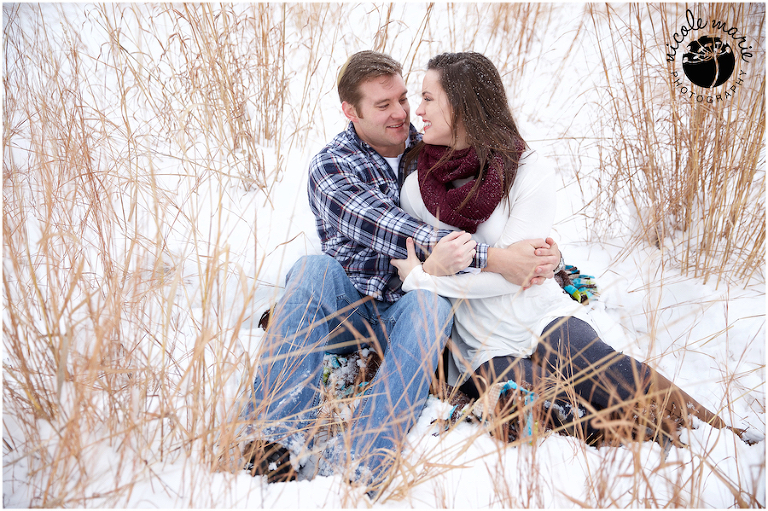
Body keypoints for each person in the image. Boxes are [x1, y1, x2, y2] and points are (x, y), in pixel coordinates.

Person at [239, 50, 563, 493]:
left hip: (408, 309)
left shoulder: (432, 144)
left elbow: (495, 212)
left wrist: (546, 253)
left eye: (404, 99)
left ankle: (368, 452)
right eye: (382, 105)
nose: (401, 113)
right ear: (350, 112)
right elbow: (399, 232)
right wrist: (501, 260)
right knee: (312, 268)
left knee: (431, 303)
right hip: (349, 307)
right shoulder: (333, 167)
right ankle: (276, 436)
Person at [392, 51, 743, 446]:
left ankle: (720, 439)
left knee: (602, 370)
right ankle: (651, 444)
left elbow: (517, 277)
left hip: (538, 311)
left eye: (427, 98)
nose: (416, 112)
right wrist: (441, 274)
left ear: (462, 105)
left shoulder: (526, 170)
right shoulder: (415, 191)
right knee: (547, 404)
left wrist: (424, 279)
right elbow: (504, 266)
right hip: (480, 341)